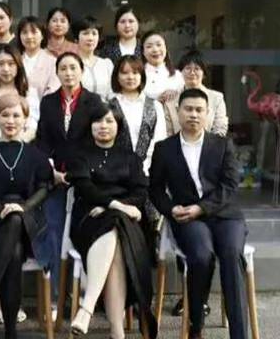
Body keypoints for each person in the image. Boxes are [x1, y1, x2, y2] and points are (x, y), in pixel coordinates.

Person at [149, 89, 248, 339]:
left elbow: (230, 185)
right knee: (202, 256)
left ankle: (239, 334)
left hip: (224, 215)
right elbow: (155, 189)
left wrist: (202, 208)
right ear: (178, 112)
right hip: (187, 217)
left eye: (199, 110)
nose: (193, 114)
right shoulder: (164, 148)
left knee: (231, 256)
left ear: (207, 114)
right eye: (188, 109)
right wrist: (170, 209)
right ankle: (196, 323)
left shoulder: (222, 145)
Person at [0, 94, 54, 339]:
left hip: (30, 223)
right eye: (5, 115)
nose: (10, 120)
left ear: (25, 119)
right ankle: (10, 332)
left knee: (15, 219)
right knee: (13, 252)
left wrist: (22, 208)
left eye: (16, 115)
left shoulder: (36, 155)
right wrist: (0, 208)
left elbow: (44, 188)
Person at [67, 102, 156, 339]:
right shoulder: (79, 155)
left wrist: (115, 208)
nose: (103, 126)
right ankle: (116, 331)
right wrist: (118, 206)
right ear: (90, 126)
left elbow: (140, 192)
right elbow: (86, 189)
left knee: (116, 232)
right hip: (89, 218)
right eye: (98, 121)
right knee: (114, 226)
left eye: (109, 121)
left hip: (122, 221)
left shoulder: (131, 158)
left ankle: (88, 309)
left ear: (118, 125)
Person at [34, 51, 102, 315]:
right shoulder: (48, 102)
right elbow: (42, 140)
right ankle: (55, 298)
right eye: (63, 68)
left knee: (84, 232)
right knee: (53, 232)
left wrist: (77, 174)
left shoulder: (94, 102)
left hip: (84, 179)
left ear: (81, 71)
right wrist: (51, 170)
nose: (68, 73)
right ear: (57, 72)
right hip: (55, 178)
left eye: (73, 67)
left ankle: (83, 297)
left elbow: (97, 141)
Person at [106, 56, 168, 175]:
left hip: (149, 171)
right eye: (124, 73)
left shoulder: (155, 106)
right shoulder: (108, 107)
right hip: (115, 172)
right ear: (117, 76)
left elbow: (159, 140)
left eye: (135, 72)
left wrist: (145, 166)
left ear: (142, 76)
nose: (130, 77)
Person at [0, 43, 40, 147]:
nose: (6, 69)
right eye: (0, 64)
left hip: (21, 150)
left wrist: (14, 148)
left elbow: (31, 129)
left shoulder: (29, 93)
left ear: (18, 65)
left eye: (11, 64)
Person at [161, 51, 229, 137]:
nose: (192, 72)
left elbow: (220, 128)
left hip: (209, 144)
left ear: (204, 73)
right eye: (188, 68)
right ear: (181, 72)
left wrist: (209, 144)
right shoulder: (170, 99)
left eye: (197, 68)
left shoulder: (216, 98)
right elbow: (167, 131)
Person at [17, 15, 60, 98]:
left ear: (42, 35)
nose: (29, 36)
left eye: (34, 32)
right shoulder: (14, 60)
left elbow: (53, 90)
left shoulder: (53, 62)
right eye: (24, 32)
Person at [75, 15, 113, 99]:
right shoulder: (71, 65)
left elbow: (113, 93)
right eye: (85, 33)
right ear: (76, 38)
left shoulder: (106, 64)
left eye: (94, 33)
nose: (90, 38)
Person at [141, 31, 184, 102]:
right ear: (143, 52)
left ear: (166, 48)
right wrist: (156, 101)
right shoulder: (137, 75)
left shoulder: (178, 75)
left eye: (159, 45)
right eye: (149, 46)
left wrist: (175, 93)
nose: (155, 50)